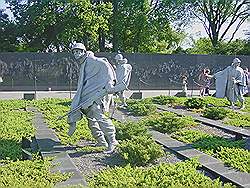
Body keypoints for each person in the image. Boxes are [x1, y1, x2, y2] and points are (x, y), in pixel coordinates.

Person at [67, 42, 124, 154]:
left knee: (99, 117)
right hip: (87, 95)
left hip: (97, 95)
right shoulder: (83, 63)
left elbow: (106, 65)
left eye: (78, 51)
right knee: (91, 120)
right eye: (74, 52)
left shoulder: (93, 60)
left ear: (83, 52)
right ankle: (101, 141)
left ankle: (113, 141)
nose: (76, 54)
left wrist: (110, 82)